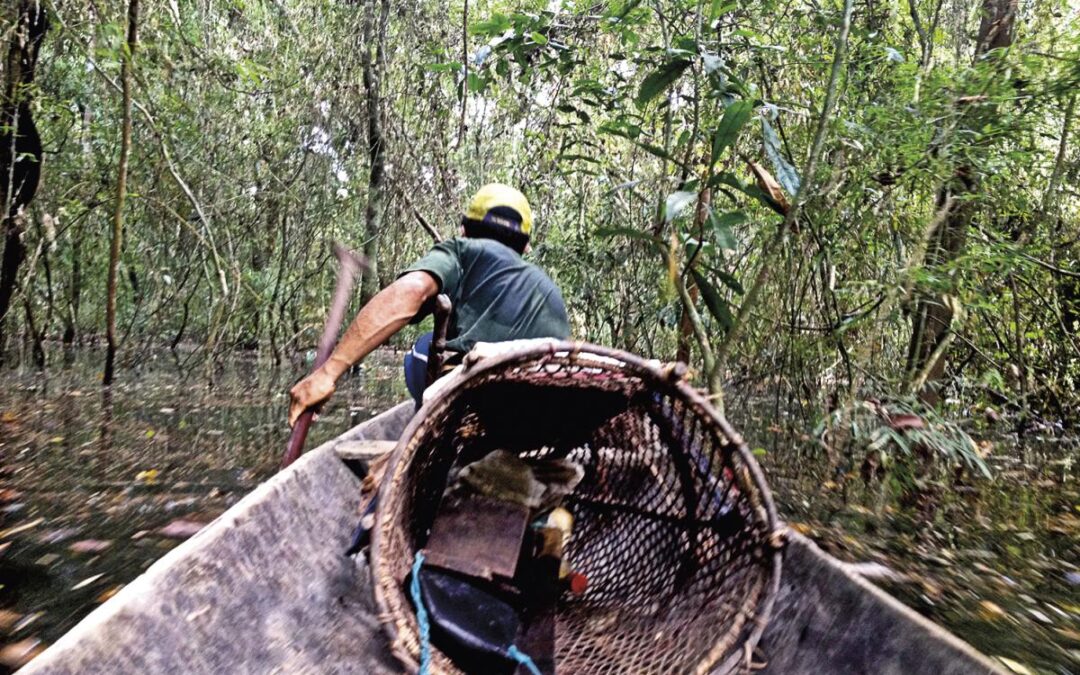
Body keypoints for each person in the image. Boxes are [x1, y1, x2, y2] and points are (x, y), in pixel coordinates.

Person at [288, 183, 570, 426]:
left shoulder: (462, 251)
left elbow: (413, 290)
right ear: (525, 248)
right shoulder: (547, 287)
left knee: (421, 350)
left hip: (488, 406)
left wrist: (327, 373)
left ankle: (429, 434)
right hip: (549, 411)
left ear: (464, 231)